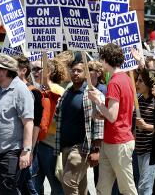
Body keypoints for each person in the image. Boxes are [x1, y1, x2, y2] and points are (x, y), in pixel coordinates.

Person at [88, 43, 138, 195]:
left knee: (127, 189)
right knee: (102, 189)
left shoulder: (115, 81)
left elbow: (112, 115)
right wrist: (103, 113)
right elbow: (127, 109)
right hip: (111, 141)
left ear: (104, 59)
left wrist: (98, 101)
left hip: (119, 142)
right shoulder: (126, 79)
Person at [0, 53, 34, 194]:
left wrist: (26, 151)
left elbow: (28, 122)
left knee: (8, 191)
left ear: (4, 71)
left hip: (11, 152)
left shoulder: (20, 90)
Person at [55, 56, 104, 194]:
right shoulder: (67, 93)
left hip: (81, 148)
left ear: (86, 73)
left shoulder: (93, 94)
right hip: (65, 147)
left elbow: (100, 122)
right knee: (81, 187)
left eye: (79, 71)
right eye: (73, 70)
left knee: (68, 183)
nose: (75, 73)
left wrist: (96, 149)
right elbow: (58, 115)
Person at [31, 59, 65, 195]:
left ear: (48, 71)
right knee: (34, 185)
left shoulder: (58, 90)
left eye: (38, 69)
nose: (34, 72)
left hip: (50, 145)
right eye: (32, 69)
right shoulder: (37, 90)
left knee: (56, 186)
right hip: (38, 143)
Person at [15, 55, 43, 195]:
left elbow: (36, 124)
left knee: (25, 183)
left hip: (26, 148)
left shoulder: (33, 92)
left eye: (13, 70)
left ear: (23, 70)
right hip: (13, 146)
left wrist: (30, 150)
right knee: (23, 183)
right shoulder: (10, 89)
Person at [134, 72, 155, 195]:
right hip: (138, 150)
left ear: (148, 84)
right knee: (143, 185)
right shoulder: (137, 100)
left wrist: (145, 126)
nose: (137, 83)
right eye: (137, 80)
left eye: (140, 81)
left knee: (144, 187)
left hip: (151, 151)